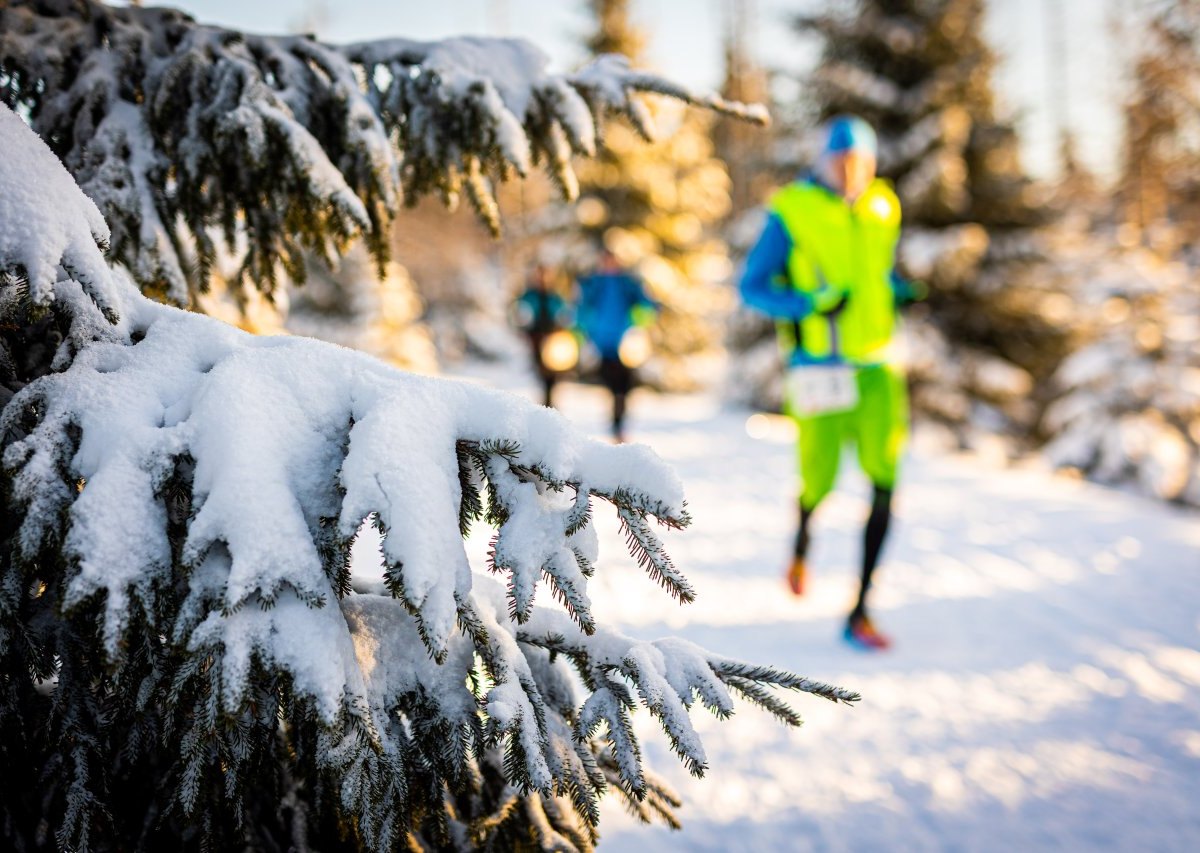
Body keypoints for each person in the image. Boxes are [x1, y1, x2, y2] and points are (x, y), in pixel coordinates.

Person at [739, 115, 925, 650]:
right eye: (841, 162)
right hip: (821, 371)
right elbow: (753, 286)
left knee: (886, 481)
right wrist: (810, 304)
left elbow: (872, 272)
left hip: (879, 369)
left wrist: (898, 290)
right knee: (817, 479)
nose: (851, 173)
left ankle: (860, 610)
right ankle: (800, 547)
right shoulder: (792, 211)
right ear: (822, 161)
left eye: (861, 163)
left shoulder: (883, 206)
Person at [576, 248, 656, 441]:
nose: (609, 264)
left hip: (626, 345)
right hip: (602, 344)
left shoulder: (628, 283)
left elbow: (647, 306)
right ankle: (615, 423)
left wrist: (639, 323)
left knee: (624, 386)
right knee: (611, 384)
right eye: (605, 261)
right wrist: (583, 334)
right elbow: (581, 310)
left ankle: (619, 425)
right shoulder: (593, 283)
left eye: (612, 260)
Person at [512, 264, 574, 408]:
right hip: (536, 337)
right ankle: (546, 402)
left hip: (553, 339)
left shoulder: (555, 297)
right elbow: (520, 314)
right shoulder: (529, 296)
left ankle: (549, 401)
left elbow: (564, 315)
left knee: (552, 372)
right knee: (541, 370)